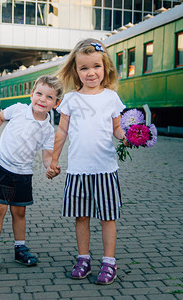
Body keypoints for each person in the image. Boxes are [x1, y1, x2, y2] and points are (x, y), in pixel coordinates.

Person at [46, 38, 128, 285]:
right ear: (76, 71)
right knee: (81, 216)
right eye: (84, 68)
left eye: (96, 66)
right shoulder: (70, 99)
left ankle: (109, 262)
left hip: (105, 169)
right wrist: (54, 160)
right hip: (78, 170)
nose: (91, 72)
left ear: (106, 68)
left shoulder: (111, 98)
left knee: (108, 217)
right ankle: (83, 258)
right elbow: (61, 132)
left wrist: (129, 136)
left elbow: (117, 128)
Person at [0, 75, 63, 272]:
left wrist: (50, 167)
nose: (42, 100)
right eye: (39, 94)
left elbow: (46, 155)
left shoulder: (48, 130)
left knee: (19, 212)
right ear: (31, 94)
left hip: (23, 174)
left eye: (49, 97)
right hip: (1, 167)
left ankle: (20, 248)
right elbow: (0, 116)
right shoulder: (19, 109)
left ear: (56, 103)